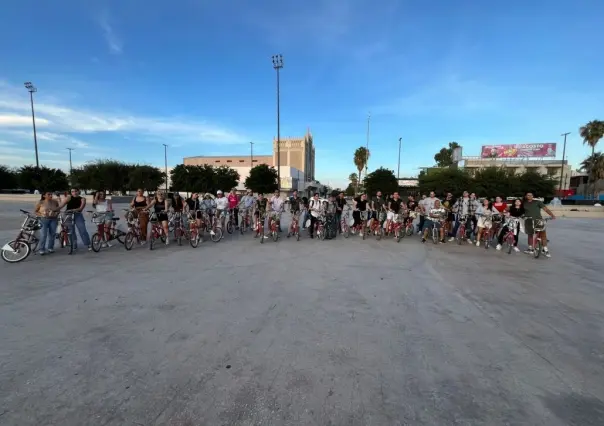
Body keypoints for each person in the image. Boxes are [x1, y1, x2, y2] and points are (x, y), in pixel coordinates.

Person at [523, 192, 556, 257]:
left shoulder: (537, 202)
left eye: (530, 195)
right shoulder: (524, 203)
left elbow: (545, 209)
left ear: (533, 196)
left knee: (543, 235)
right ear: (526, 196)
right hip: (528, 221)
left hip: (539, 221)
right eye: (528, 195)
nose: (529, 196)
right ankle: (530, 248)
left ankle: (545, 250)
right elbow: (520, 210)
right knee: (530, 235)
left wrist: (552, 215)